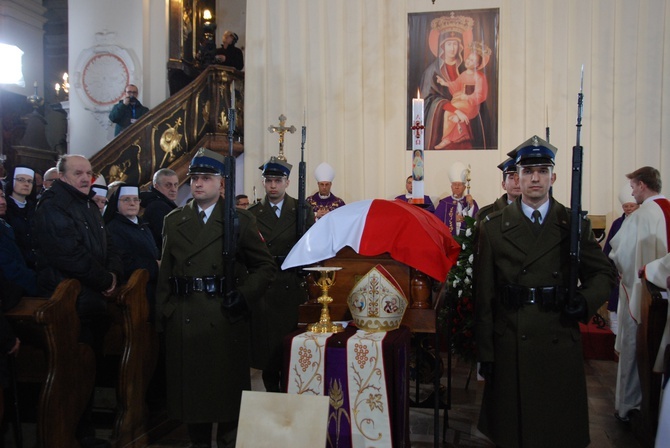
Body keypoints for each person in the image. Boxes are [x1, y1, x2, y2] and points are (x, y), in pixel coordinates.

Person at [474, 135, 615, 448]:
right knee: (514, 433)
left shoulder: (572, 223)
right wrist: (485, 352)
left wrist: (586, 300)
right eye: (527, 171)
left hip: (558, 333)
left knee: (556, 431)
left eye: (541, 170)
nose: (534, 178)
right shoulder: (494, 226)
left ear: (554, 176)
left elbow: (603, 272)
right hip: (511, 338)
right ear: (516, 177)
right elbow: (484, 297)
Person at [155, 148, 276, 448]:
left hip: (224, 319)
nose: (197, 184)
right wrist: (165, 315)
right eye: (194, 178)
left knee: (226, 402)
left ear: (221, 183)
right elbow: (165, 275)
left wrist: (244, 296)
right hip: (186, 320)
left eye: (206, 178)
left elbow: (265, 266)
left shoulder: (239, 221)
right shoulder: (174, 220)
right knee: (193, 404)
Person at [32, 154, 123, 447]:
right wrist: (104, 280)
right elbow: (68, 254)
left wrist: (113, 275)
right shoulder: (53, 205)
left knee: (87, 371)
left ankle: (84, 434)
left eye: (89, 173)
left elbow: (107, 244)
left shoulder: (86, 203)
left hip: (90, 302)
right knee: (71, 374)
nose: (86, 178)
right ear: (62, 176)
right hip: (69, 304)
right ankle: (69, 435)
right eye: (78, 173)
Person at [248, 156, 315, 392]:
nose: (272, 185)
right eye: (268, 180)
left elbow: (310, 246)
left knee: (291, 346)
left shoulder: (301, 210)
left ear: (287, 182)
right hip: (266, 285)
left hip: (290, 282)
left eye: (277, 180)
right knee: (269, 352)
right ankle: (271, 394)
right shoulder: (253, 213)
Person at [608, 166, 669, 423]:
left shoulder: (644, 215)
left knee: (635, 350)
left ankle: (628, 406)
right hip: (665, 298)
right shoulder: (667, 208)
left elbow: (620, 255)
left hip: (642, 296)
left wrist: (626, 272)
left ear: (643, 185)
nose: (632, 192)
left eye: (633, 187)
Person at [419, 14, 490, 150]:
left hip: (468, 126)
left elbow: (479, 97)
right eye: (449, 44)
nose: (452, 48)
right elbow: (428, 100)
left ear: (460, 47)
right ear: (442, 46)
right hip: (442, 125)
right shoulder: (432, 71)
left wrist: (467, 106)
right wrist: (456, 111)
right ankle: (447, 138)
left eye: (455, 44)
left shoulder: (466, 69)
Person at [104, 184, 160, 321]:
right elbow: (124, 261)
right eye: (126, 199)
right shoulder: (113, 228)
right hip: (133, 291)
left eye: (136, 199)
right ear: (116, 203)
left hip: (151, 288)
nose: (132, 203)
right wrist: (156, 265)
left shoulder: (143, 225)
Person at [434, 44, 490, 150]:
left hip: (471, 105)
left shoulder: (480, 77)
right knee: (452, 111)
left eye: (472, 60)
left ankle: (446, 139)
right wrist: (444, 83)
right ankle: (454, 135)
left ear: (477, 64)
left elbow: (480, 94)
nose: (469, 61)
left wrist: (468, 97)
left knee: (449, 111)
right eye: (468, 59)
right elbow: (455, 85)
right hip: (460, 100)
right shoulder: (464, 74)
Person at [602, 183, 640, 335]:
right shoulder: (618, 223)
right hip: (619, 271)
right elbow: (610, 246)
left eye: (631, 205)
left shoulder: (642, 220)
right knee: (615, 302)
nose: (629, 209)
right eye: (626, 206)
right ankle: (615, 333)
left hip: (636, 270)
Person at [4, 165, 37, 268]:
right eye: (21, 180)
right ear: (12, 181)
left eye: (30, 181)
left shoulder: (36, 208)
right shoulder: (4, 208)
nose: (26, 184)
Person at [434, 161, 478, 235]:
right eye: (454, 184)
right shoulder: (444, 203)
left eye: (459, 184)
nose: (456, 187)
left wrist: (471, 205)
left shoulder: (470, 202)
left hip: (465, 240)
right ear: (451, 187)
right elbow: (436, 222)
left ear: (464, 187)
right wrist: (453, 219)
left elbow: (477, 221)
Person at [140, 168, 179, 250]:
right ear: (156, 186)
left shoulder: (164, 204)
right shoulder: (157, 206)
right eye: (168, 185)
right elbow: (167, 238)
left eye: (175, 185)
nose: (173, 189)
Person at [475, 157, 520, 224]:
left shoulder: (536, 213)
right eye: (512, 178)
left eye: (520, 177)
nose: (517, 182)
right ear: (503, 185)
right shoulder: (486, 215)